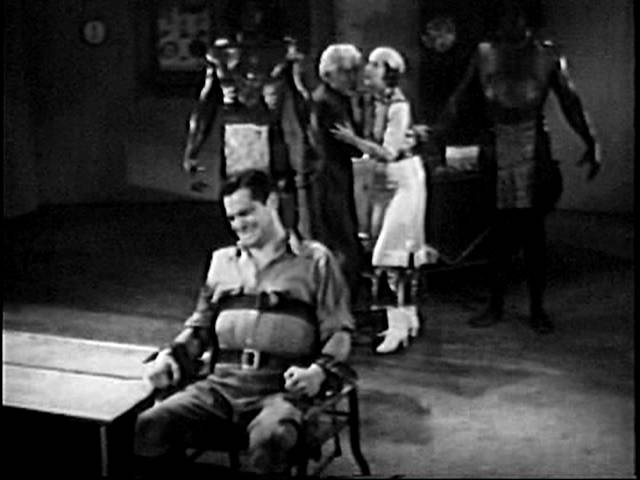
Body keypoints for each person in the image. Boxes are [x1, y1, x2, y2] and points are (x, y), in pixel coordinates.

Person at [134, 169, 355, 476]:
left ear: (272, 202)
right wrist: (170, 356)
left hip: (280, 392)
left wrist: (318, 372)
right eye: (232, 217)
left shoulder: (315, 261)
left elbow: (340, 332)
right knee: (152, 423)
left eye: (246, 213)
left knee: (272, 437)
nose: (239, 224)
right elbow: (198, 329)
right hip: (220, 388)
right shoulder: (221, 262)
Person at [426, 1, 601, 334]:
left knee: (534, 234)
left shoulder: (547, 55)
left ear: (528, 17)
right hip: (497, 146)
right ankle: (495, 304)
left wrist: (591, 141)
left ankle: (537, 308)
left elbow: (571, 102)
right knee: (498, 235)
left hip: (534, 148)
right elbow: (460, 100)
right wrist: (435, 137)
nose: (511, 23)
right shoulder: (485, 53)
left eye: (517, 15)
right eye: (506, 15)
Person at [331, 46, 431, 354]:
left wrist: (353, 141)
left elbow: (388, 151)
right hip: (380, 181)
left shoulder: (398, 106)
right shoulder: (371, 100)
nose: (368, 69)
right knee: (390, 252)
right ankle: (407, 316)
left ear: (388, 72)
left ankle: (397, 327)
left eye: (375, 65)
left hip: (403, 180)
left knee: (391, 254)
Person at [305, 43, 366, 302]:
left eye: (353, 71)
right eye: (347, 72)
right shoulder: (328, 102)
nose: (352, 78)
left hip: (333, 173)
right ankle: (341, 299)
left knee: (340, 237)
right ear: (330, 73)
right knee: (340, 239)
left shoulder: (330, 99)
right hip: (330, 176)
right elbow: (351, 145)